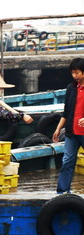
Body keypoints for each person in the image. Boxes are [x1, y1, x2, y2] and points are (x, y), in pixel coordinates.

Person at [52, 58, 84, 194]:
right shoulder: (71, 88)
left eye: (77, 73)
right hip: (71, 132)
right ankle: (62, 192)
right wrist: (58, 129)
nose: (74, 76)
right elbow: (66, 112)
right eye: (72, 73)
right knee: (67, 161)